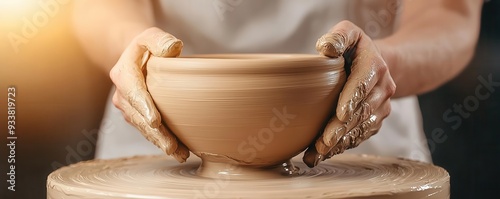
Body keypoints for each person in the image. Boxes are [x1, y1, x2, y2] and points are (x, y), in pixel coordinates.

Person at [72, 0, 482, 167]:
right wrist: (130, 47)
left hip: (354, 127)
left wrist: (382, 66)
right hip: (163, 133)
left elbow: (450, 13)